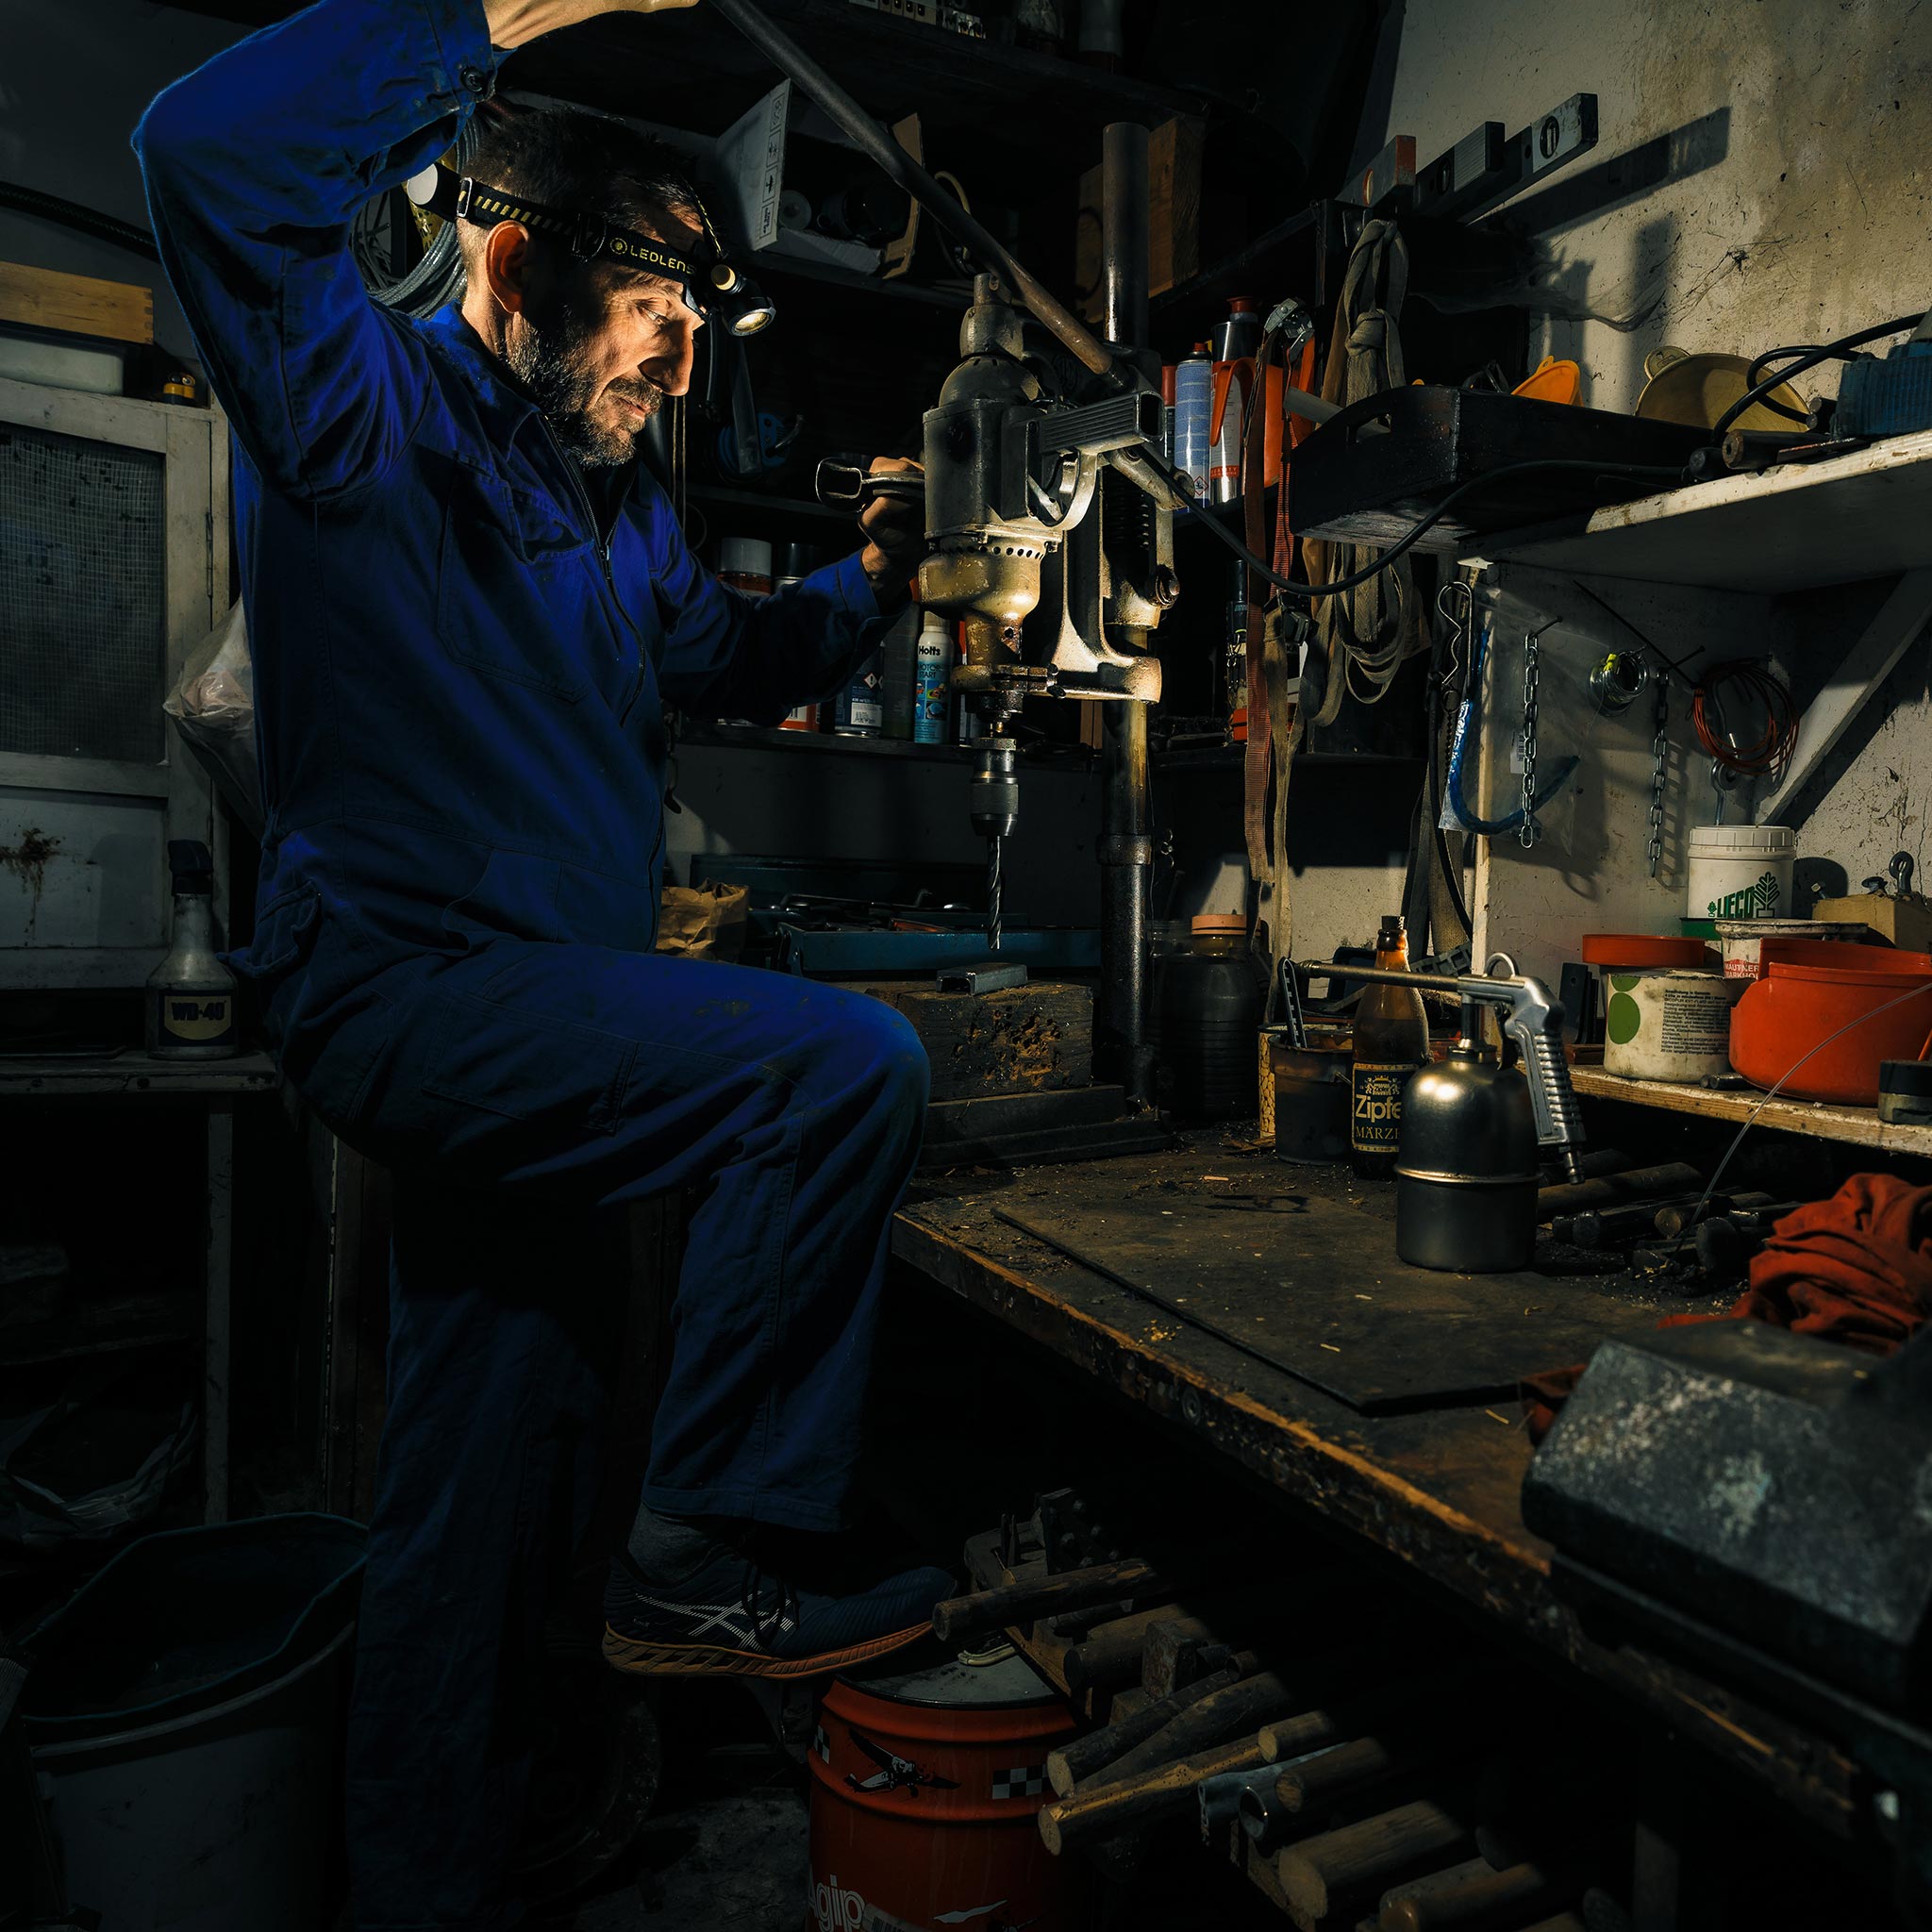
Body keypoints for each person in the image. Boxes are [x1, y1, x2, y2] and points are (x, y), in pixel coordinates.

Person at [134, 0, 950, 1924]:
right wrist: (486, 9)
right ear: (522, 266)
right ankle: (715, 1547)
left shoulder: (615, 507)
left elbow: (723, 665)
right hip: (407, 985)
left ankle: (429, 1877)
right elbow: (201, 156)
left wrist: (873, 583)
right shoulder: (355, 404)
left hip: (537, 1019)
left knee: (484, 1474)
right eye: (659, 332)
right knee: (835, 1067)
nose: (672, 383)